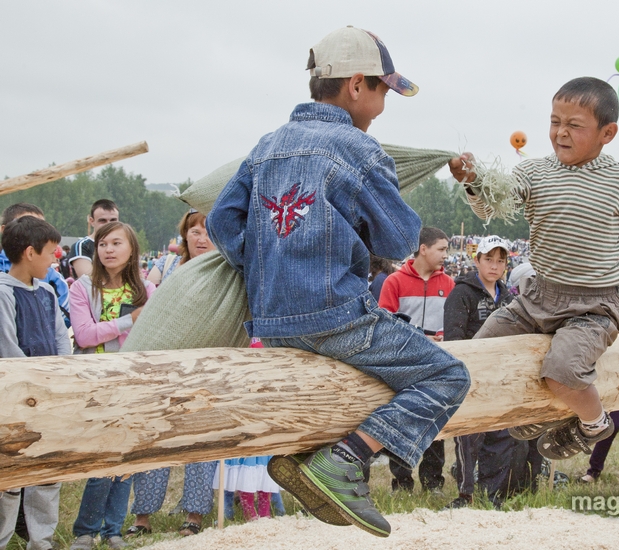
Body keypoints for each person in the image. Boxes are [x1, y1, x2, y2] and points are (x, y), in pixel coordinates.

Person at [207, 26, 470, 538]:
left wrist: (267, 264)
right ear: (356, 85)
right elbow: (398, 240)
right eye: (383, 91)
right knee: (448, 377)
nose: (384, 105)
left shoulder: (269, 144)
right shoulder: (360, 150)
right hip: (334, 316)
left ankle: (306, 457)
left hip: (272, 320)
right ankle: (347, 458)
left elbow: (221, 222)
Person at [450, 76, 619, 461]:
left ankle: (594, 423)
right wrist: (474, 183)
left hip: (593, 307)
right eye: (555, 121)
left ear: (608, 133)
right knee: (479, 354)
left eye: (574, 125)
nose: (560, 132)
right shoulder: (535, 172)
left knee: (561, 372)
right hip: (537, 298)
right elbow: (491, 207)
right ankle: (539, 412)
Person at [129, 211, 218, 537]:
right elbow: (143, 308)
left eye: (207, 231)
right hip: (166, 368)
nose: (200, 237)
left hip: (207, 369)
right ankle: (143, 516)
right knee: (157, 440)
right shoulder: (166, 267)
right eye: (194, 231)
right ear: (185, 235)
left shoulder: (227, 270)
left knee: (202, 443)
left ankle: (193, 515)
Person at [68, 222, 155, 550]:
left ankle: (114, 529)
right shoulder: (82, 288)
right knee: (103, 458)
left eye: (116, 243)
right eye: (102, 244)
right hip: (98, 380)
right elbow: (85, 335)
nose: (108, 249)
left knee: (127, 458)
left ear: (132, 249)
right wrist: (127, 321)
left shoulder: (146, 291)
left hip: (134, 381)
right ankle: (86, 531)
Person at [0, 216, 70, 550]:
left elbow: (61, 340)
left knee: (47, 473)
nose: (56, 259)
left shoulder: (47, 292)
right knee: (10, 479)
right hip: (15, 401)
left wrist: (62, 377)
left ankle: (42, 541)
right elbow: (8, 347)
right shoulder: (2, 294)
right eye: (51, 253)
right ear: (30, 252)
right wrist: (33, 386)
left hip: (49, 399)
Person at [443, 235, 525, 508]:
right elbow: (454, 339)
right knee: (468, 438)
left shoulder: (510, 298)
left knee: (501, 436)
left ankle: (494, 495)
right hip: (471, 376)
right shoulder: (461, 294)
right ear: (477, 260)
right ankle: (466, 494)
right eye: (489, 259)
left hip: (502, 377)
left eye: (500, 261)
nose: (494, 266)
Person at [378, 227, 454, 493]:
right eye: (442, 249)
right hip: (404, 363)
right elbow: (386, 325)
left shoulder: (448, 283)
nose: (446, 254)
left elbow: (452, 323)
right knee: (403, 419)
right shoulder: (394, 282)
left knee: (435, 420)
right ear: (424, 249)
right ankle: (401, 483)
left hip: (436, 363)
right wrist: (420, 338)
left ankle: (433, 482)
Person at [0, 204, 71, 328]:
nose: (38, 232)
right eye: (28, 227)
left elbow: (62, 324)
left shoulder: (52, 279)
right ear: (5, 230)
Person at [146, 210, 215, 286]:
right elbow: (149, 296)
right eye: (196, 232)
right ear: (185, 233)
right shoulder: (165, 264)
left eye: (209, 234)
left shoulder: (226, 273)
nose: (202, 240)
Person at [68, 199, 119, 279]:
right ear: (92, 221)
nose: (109, 225)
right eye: (103, 221)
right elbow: (89, 279)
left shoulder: (124, 244)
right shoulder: (82, 246)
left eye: (113, 220)